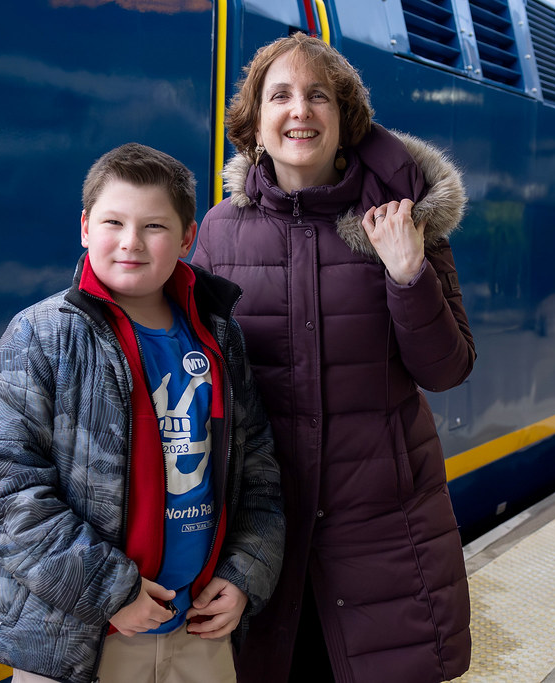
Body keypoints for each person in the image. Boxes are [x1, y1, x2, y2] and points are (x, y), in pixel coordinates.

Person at [191, 33, 475, 683]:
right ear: (254, 122)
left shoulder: (402, 223)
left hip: (386, 544)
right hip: (262, 545)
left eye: (319, 96)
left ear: (343, 120)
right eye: (281, 95)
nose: (301, 111)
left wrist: (409, 275)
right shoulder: (218, 233)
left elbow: (447, 368)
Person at [0, 143, 285, 683]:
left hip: (197, 630)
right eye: (113, 222)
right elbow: (0, 484)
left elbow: (259, 471)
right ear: (85, 227)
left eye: (154, 226)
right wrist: (110, 592)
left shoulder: (220, 336)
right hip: (80, 635)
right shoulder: (41, 334)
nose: (131, 242)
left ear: (187, 238)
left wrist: (245, 573)